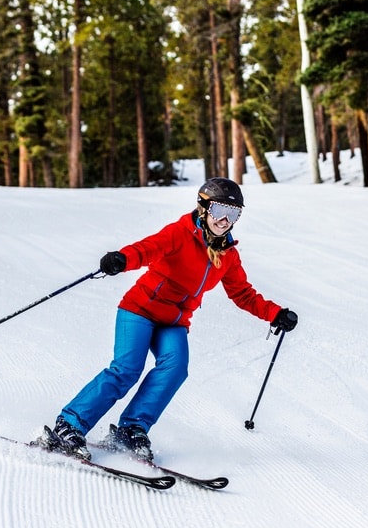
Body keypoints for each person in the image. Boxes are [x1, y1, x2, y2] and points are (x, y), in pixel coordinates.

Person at [39, 177, 298, 461]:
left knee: (175, 368)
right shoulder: (179, 233)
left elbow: (242, 294)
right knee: (126, 369)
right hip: (139, 310)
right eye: (219, 211)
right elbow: (147, 249)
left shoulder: (228, 256)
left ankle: (132, 428)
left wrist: (275, 313)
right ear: (203, 208)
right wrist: (122, 259)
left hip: (174, 321)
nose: (225, 220)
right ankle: (70, 424)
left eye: (233, 214)